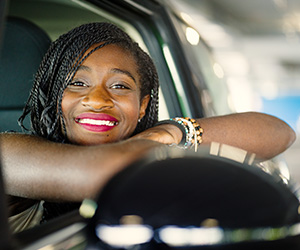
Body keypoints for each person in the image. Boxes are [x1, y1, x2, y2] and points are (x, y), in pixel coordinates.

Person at [0, 22, 296, 232]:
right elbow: (98, 173)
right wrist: (156, 143)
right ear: (53, 95)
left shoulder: (160, 147)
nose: (98, 99)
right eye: (77, 83)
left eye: (119, 86)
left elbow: (281, 132)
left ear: (142, 105)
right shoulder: (9, 151)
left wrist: (171, 132)